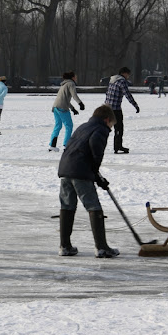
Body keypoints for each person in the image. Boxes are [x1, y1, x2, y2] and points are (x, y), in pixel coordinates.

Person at [57, 104, 119, 259]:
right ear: (106, 120)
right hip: (80, 172)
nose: (111, 129)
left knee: (67, 206)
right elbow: (95, 151)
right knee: (93, 206)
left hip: (65, 170)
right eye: (111, 125)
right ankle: (102, 247)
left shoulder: (84, 126)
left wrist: (96, 176)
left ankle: (65, 246)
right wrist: (96, 176)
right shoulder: (100, 129)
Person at [104, 67, 139, 154]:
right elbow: (127, 94)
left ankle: (105, 145)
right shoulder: (122, 81)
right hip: (115, 109)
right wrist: (135, 105)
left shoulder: (112, 80)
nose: (128, 76)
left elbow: (107, 93)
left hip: (107, 107)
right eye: (128, 74)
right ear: (124, 73)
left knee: (105, 128)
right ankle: (118, 146)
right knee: (119, 128)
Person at [49, 71, 84, 152]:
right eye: (75, 77)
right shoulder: (71, 84)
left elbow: (64, 99)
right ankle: (67, 145)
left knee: (58, 126)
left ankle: (52, 145)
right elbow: (74, 95)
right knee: (69, 126)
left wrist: (72, 109)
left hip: (55, 107)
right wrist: (80, 103)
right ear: (72, 78)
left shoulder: (64, 84)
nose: (76, 78)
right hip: (62, 108)